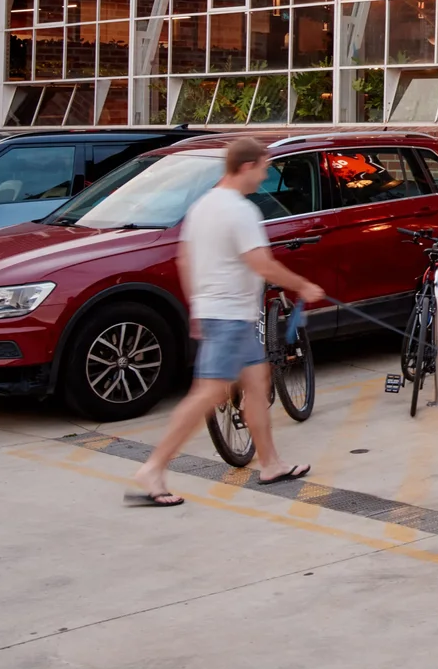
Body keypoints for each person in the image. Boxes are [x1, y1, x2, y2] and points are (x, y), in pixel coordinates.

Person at [129, 136, 326, 507]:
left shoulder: (202, 205)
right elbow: (261, 263)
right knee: (207, 394)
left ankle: (270, 463)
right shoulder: (240, 211)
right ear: (247, 166)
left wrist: (196, 308)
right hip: (230, 316)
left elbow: (185, 260)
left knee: (257, 384)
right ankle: (152, 469)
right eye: (264, 168)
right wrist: (303, 286)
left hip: (223, 313)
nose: (265, 176)